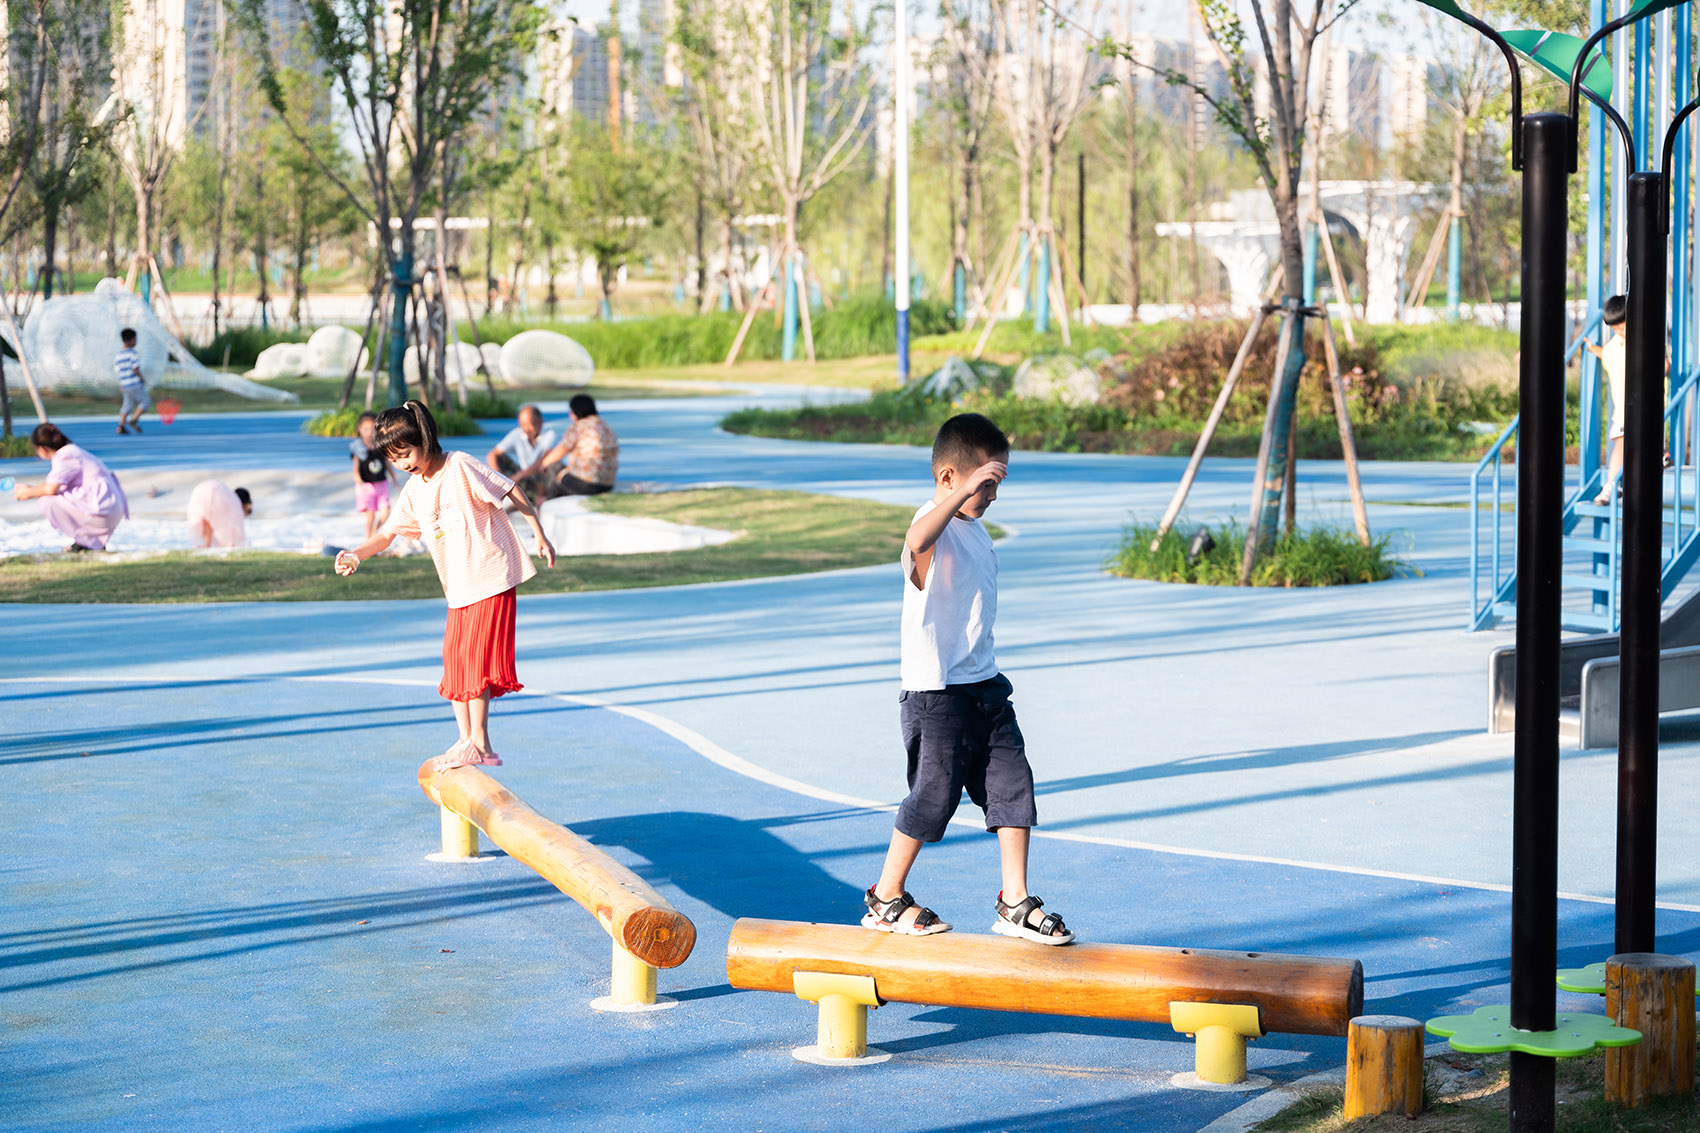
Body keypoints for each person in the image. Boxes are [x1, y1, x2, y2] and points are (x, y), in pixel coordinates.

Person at [862, 412, 1074, 945]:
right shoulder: (931, 526)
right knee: (934, 796)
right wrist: (962, 494)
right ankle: (886, 897)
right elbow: (917, 540)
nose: (993, 496)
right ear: (948, 478)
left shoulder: (977, 534)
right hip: (936, 693)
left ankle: (1015, 901)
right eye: (986, 483)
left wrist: (972, 492)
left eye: (998, 485)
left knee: (1013, 787)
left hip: (985, 687)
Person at [335, 401, 557, 770]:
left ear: (424, 438)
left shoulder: (459, 466)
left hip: (490, 575)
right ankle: (467, 740)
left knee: (475, 660)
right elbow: (387, 534)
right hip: (459, 587)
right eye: (394, 459)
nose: (402, 463)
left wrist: (539, 534)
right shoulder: (414, 490)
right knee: (455, 661)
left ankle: (479, 742)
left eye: (406, 453)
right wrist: (356, 555)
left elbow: (510, 489)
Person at [11, 422, 130, 552]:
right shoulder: (72, 451)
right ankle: (87, 542)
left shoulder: (64, 456)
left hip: (103, 511)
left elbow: (50, 489)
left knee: (47, 502)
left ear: (43, 449)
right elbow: (55, 486)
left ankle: (87, 542)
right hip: (109, 508)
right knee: (52, 498)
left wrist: (28, 492)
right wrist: (32, 490)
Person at [1585, 295, 1630, 505]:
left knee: (1628, 442)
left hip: (1641, 407)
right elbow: (1605, 353)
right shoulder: (1615, 345)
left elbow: (1664, 364)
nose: (1620, 332)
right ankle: (1610, 486)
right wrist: (1591, 348)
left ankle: (1611, 487)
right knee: (1621, 445)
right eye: (1615, 329)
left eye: (1622, 327)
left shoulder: (1643, 341)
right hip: (1622, 411)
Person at [540, 394, 618, 497]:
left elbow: (559, 452)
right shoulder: (607, 427)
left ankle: (548, 500)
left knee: (554, 468)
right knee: (566, 471)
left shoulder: (579, 426)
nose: (570, 416)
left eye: (571, 412)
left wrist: (542, 465)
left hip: (586, 485)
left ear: (577, 411)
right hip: (607, 485)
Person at [484, 405, 557, 505]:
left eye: (530, 425)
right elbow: (492, 454)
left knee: (544, 468)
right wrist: (499, 477)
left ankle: (539, 498)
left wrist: (516, 477)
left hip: (544, 481)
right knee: (499, 458)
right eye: (523, 425)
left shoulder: (550, 435)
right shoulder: (517, 434)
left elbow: (543, 461)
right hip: (526, 481)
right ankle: (506, 491)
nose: (526, 429)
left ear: (540, 422)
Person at [350, 411, 400, 538]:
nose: (369, 432)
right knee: (370, 517)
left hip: (382, 485)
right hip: (366, 487)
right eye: (365, 429)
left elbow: (388, 465)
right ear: (359, 429)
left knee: (386, 513)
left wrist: (395, 482)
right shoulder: (358, 448)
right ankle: (368, 541)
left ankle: (375, 531)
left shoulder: (381, 446)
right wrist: (360, 483)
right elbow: (355, 470)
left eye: (372, 429)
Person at [187, 479, 251, 547]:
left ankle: (206, 545)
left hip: (199, 491)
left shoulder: (228, 494)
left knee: (206, 519)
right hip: (216, 493)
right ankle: (207, 545)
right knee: (209, 520)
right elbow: (236, 529)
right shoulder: (235, 502)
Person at [115, 328, 150, 435]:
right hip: (134, 384)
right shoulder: (133, 354)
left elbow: (118, 371)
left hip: (125, 385)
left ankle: (121, 426)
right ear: (131, 340)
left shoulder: (119, 355)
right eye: (135, 339)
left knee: (127, 405)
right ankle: (134, 420)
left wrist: (121, 383)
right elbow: (135, 369)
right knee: (145, 401)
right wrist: (142, 378)